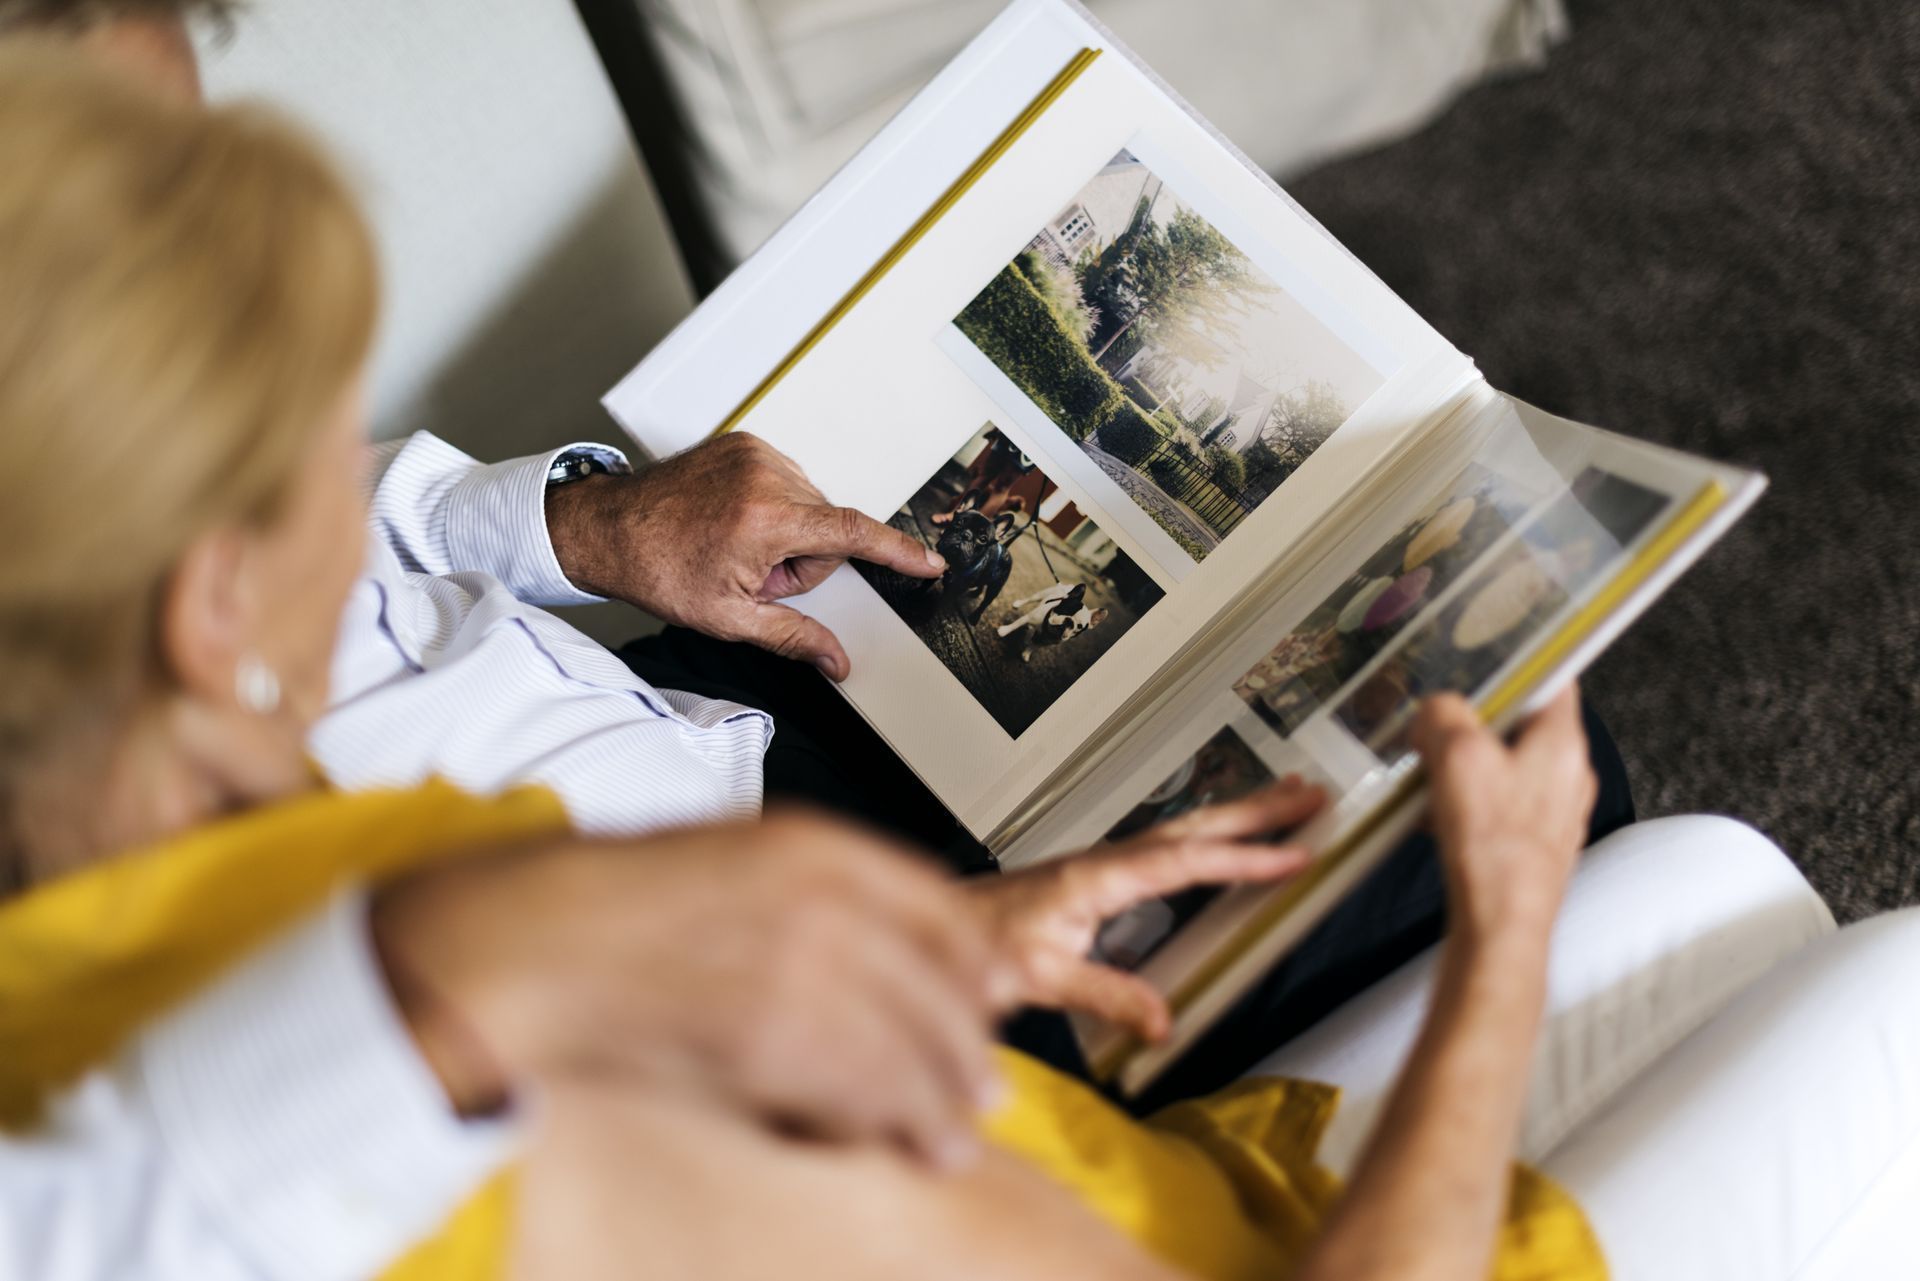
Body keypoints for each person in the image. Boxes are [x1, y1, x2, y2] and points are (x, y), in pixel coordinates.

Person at [5, 51, 1916, 1281]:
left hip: (1108, 1174)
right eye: (316, 449)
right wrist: (1498, 937)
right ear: (206, 598)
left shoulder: (316, 928)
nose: (377, 482)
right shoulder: (450, 986)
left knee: (1728, 888)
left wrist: (970, 943)